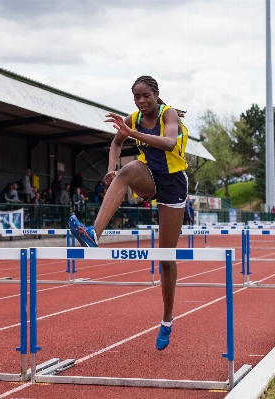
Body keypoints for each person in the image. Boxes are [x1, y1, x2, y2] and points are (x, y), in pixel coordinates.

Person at [68, 75, 189, 351]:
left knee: (166, 259)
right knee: (126, 170)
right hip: (148, 175)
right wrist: (111, 167)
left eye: (145, 95)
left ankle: (167, 319)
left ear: (156, 94)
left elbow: (169, 144)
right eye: (136, 97)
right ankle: (92, 234)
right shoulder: (133, 118)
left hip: (172, 183)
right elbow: (115, 143)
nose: (141, 101)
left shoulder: (168, 114)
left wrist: (132, 133)